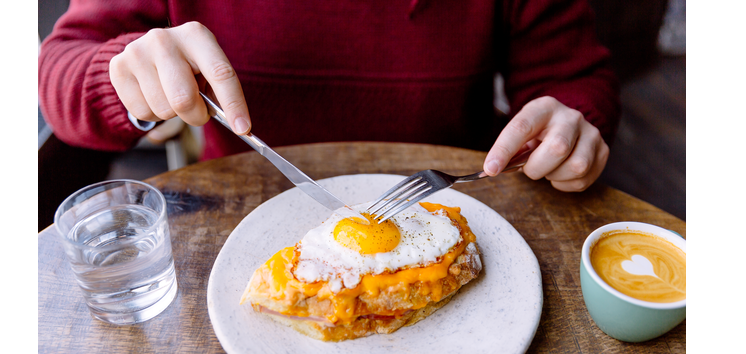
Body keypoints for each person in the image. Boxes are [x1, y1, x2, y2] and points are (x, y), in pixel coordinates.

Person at [39, 0, 619, 192]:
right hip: (242, 213)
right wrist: (127, 78)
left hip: (462, 203)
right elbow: (58, 74)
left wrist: (572, 125)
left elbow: (573, 78)